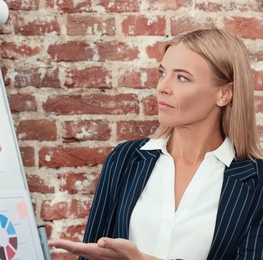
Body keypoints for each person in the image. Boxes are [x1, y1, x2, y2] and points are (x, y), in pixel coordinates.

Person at [49, 28, 263, 259]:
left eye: (182, 77)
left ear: (224, 94)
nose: (163, 87)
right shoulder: (125, 159)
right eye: (163, 73)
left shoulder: (257, 181)